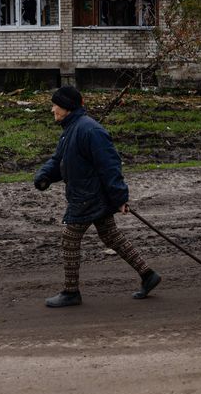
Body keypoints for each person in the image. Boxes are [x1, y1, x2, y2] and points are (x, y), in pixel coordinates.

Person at [34, 86, 161, 308]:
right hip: (85, 194)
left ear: (67, 107)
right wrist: (44, 176)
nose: (52, 109)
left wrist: (120, 197)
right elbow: (58, 160)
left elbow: (110, 165)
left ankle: (71, 292)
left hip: (89, 196)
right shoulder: (71, 128)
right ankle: (148, 275)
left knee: (70, 238)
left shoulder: (90, 131)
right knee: (111, 236)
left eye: (55, 104)